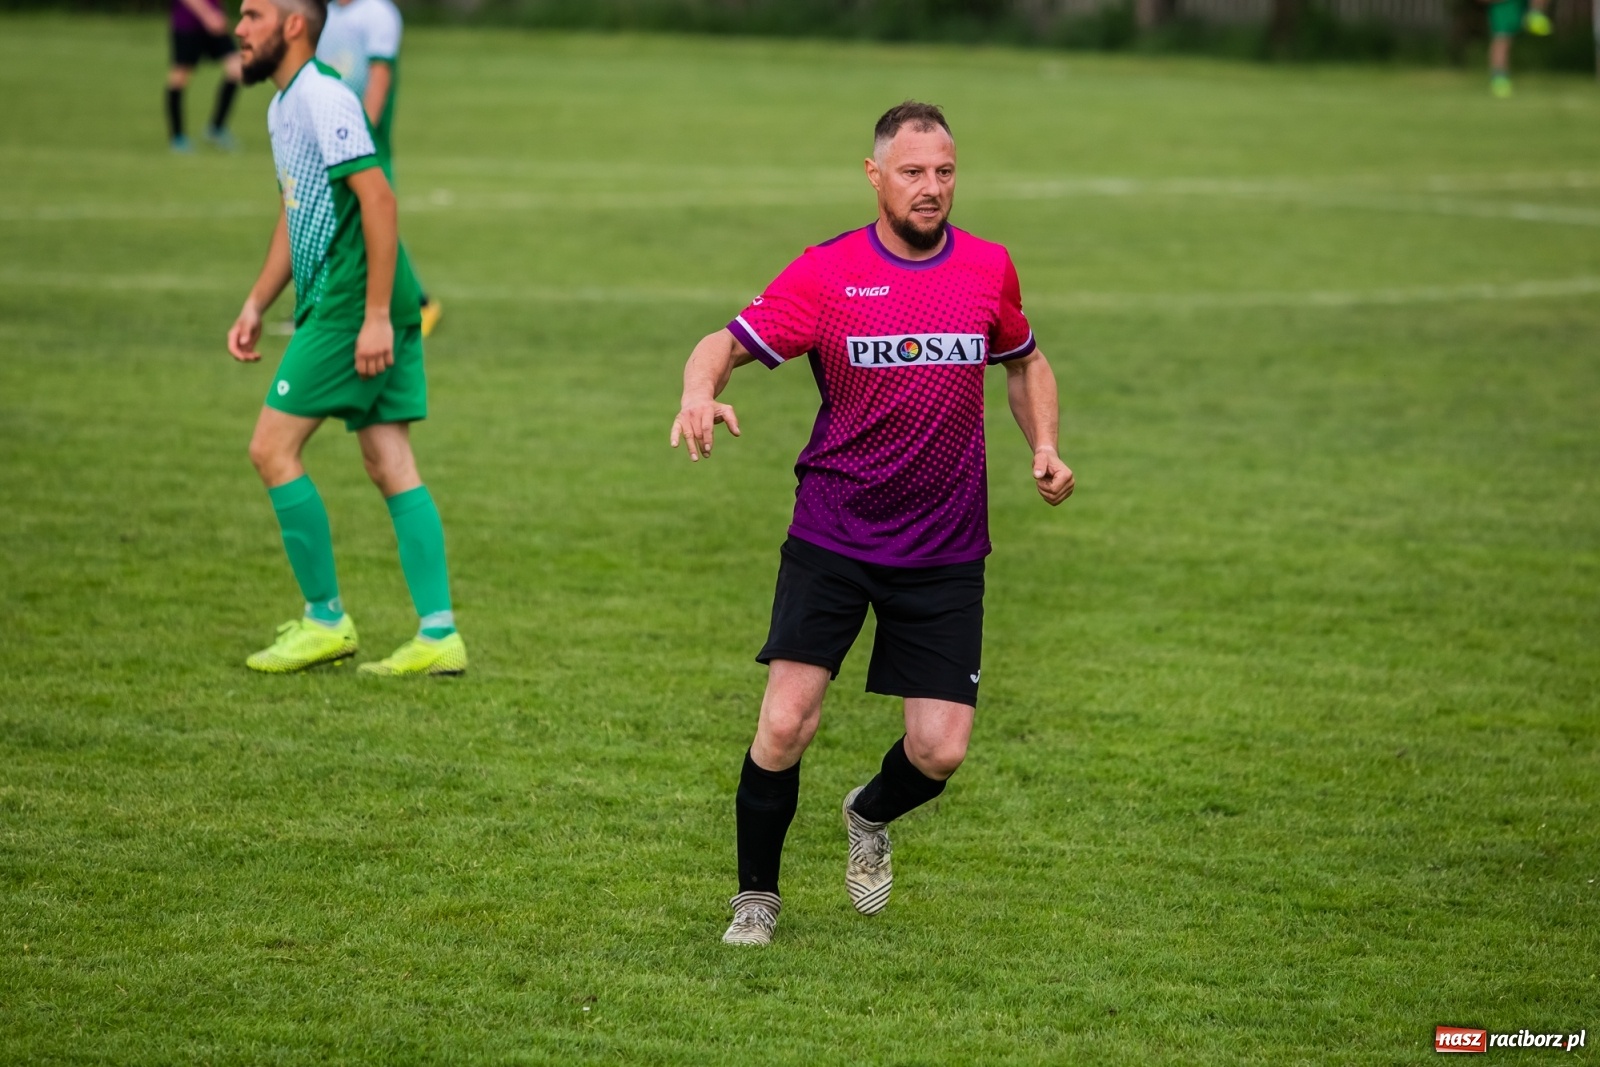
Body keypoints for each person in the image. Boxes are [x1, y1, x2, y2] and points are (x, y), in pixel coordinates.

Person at [669, 101, 1075, 946]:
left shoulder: (989, 268)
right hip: (835, 533)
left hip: (947, 546)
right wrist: (699, 392)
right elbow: (725, 341)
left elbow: (1025, 358)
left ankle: (867, 814)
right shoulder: (827, 273)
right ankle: (757, 898)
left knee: (939, 751)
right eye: (914, 172)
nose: (932, 189)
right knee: (785, 720)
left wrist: (1044, 443)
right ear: (875, 176)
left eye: (945, 172)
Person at [228, 0, 467, 677]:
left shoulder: (324, 98)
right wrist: (257, 301)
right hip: (353, 302)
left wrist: (374, 316)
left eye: (252, 14)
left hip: (350, 307)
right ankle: (439, 633)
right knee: (389, 460)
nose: (239, 28)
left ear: (292, 24)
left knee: (271, 448)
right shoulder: (284, 106)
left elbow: (379, 199)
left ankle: (326, 619)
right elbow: (297, 209)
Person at [316, 0, 444, 338]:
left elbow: (379, 78)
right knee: (337, 220)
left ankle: (419, 301)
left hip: (363, 143)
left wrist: (362, 136)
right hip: (330, 135)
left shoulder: (378, 13)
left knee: (372, 219)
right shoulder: (324, 11)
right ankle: (323, 305)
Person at [167, 0, 242, 151]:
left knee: (237, 69)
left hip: (214, 21)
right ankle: (178, 137)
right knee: (179, 77)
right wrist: (207, 14)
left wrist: (220, 13)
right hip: (187, 24)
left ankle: (216, 128)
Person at [1484, 0, 1553, 97]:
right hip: (1503, 4)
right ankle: (1499, 78)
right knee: (1502, 38)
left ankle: (1535, 14)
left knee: (1503, 39)